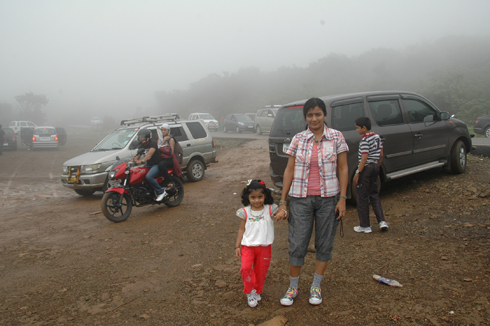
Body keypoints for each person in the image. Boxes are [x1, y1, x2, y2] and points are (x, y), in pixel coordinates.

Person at [275, 97, 348, 306]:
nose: (314, 118)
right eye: (310, 115)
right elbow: (289, 170)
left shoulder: (336, 137)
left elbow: (343, 168)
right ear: (305, 117)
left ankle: (316, 286)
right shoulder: (298, 138)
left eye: (318, 114)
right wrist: (283, 201)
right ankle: (293, 287)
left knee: (324, 243)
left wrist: (342, 198)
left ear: (324, 115)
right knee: (297, 244)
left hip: (329, 199)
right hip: (300, 200)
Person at [235, 180, 278, 308]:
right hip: (247, 247)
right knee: (246, 268)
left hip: (264, 247)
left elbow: (281, 214)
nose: (257, 200)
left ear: (265, 196)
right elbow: (241, 229)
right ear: (248, 197)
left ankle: (258, 290)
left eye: (260, 196)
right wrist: (237, 246)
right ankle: (249, 290)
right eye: (253, 197)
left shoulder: (270, 209)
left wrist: (284, 212)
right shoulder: (245, 212)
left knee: (261, 271)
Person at [353, 117, 388, 233]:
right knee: (374, 194)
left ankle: (365, 225)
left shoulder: (364, 140)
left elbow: (364, 158)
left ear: (364, 128)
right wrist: (377, 165)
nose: (357, 130)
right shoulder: (377, 137)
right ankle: (382, 221)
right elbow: (381, 154)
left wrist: (358, 172)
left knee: (362, 196)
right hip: (375, 167)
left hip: (366, 168)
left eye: (358, 128)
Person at [131, 129, 166, 201]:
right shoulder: (142, 145)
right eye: (139, 137)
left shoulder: (152, 143)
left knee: (149, 176)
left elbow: (149, 155)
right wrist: (128, 163)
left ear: (147, 137)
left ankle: (161, 192)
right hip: (148, 165)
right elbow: (137, 156)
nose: (140, 139)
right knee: (138, 175)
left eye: (142, 137)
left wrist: (142, 160)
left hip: (156, 165)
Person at [157, 123, 177, 189]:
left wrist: (165, 142)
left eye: (165, 130)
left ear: (168, 130)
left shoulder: (171, 139)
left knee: (161, 165)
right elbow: (157, 148)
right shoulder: (160, 139)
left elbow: (172, 152)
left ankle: (169, 182)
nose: (163, 131)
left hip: (169, 159)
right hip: (161, 158)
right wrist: (163, 141)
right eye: (162, 130)